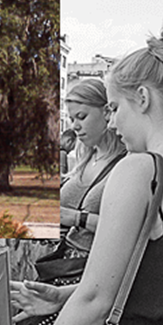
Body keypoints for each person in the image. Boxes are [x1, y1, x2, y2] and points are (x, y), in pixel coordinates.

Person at [12, 27, 163, 325]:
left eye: (114, 108)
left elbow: (95, 302)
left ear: (142, 98)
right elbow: (160, 282)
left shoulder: (141, 169)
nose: (112, 123)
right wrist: (60, 296)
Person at [59, 78, 128, 251]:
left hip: (90, 267)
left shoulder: (127, 161)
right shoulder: (84, 157)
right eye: (72, 119)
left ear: (106, 112)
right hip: (61, 263)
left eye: (81, 117)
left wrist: (76, 218)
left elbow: (127, 229)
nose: (75, 126)